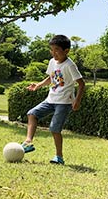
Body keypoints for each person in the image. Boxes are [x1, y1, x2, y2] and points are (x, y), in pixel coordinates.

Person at [21, 34, 85, 165]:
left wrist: (77, 100)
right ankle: (28, 142)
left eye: (57, 50)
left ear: (66, 51)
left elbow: (81, 83)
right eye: (52, 50)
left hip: (64, 102)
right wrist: (39, 85)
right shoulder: (52, 62)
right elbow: (51, 77)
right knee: (32, 114)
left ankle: (59, 157)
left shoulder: (70, 65)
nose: (53, 53)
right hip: (50, 99)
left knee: (54, 129)